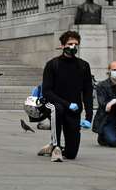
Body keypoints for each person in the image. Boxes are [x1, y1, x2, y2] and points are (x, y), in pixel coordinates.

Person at [40, 30, 93, 162]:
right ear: (63, 45)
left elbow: (87, 92)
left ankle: (54, 146)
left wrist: (88, 117)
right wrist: (67, 104)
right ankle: (56, 146)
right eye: (70, 43)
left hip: (73, 110)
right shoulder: (52, 64)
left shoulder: (83, 66)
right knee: (57, 109)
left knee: (71, 154)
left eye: (76, 44)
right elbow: (46, 91)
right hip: (54, 104)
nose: (73, 46)